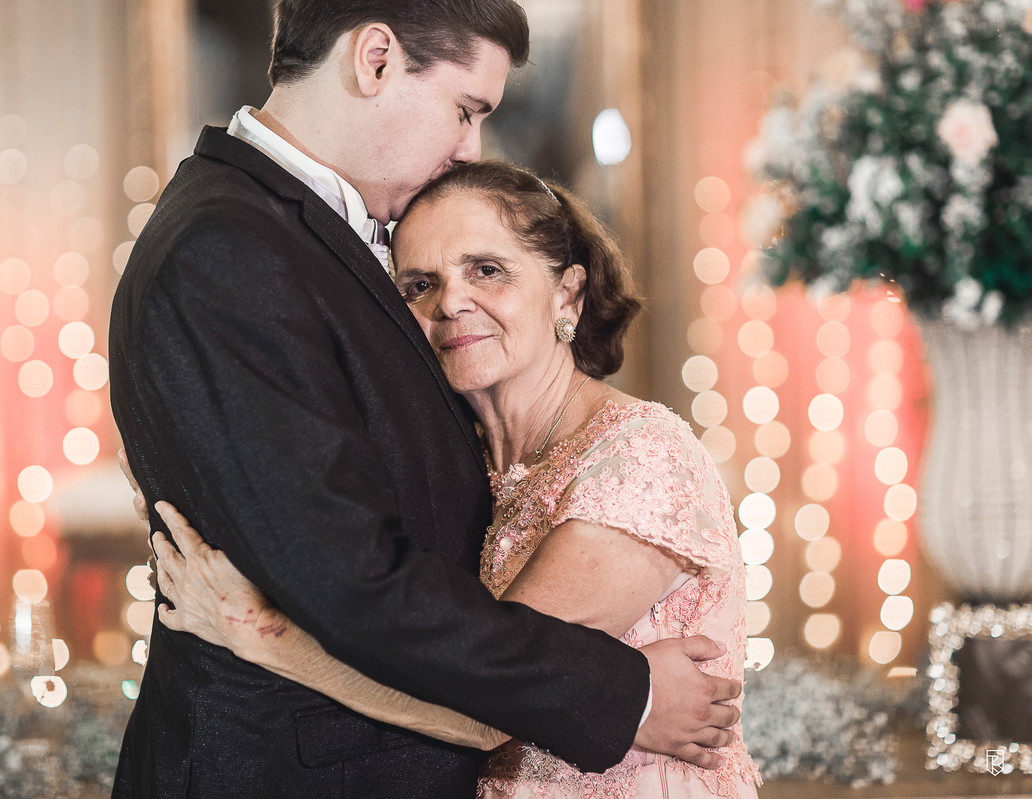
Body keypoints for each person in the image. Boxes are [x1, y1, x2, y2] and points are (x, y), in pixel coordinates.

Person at [108, 2, 741, 796]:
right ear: (375, 59)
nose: (469, 147)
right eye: (465, 108)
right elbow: (355, 583)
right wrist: (628, 693)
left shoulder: (291, 234)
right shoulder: (229, 251)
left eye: (488, 270)